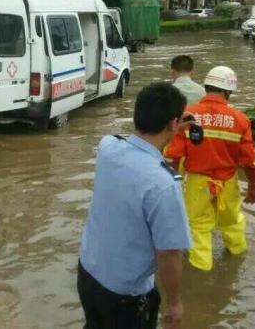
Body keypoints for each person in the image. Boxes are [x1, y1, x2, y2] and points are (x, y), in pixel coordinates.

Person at [78, 82, 192, 329]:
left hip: (88, 274)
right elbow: (169, 254)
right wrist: (174, 304)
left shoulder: (108, 146)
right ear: (173, 123)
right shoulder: (164, 184)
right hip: (125, 296)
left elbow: (140, 147)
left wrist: (171, 127)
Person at [165, 66, 255, 272]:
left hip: (198, 185)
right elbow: (250, 161)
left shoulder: (188, 117)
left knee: (198, 228)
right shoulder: (241, 120)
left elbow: (173, 156)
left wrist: (173, 186)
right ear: (228, 92)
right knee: (232, 223)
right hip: (228, 184)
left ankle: (201, 273)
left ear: (206, 88)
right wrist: (254, 188)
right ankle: (237, 261)